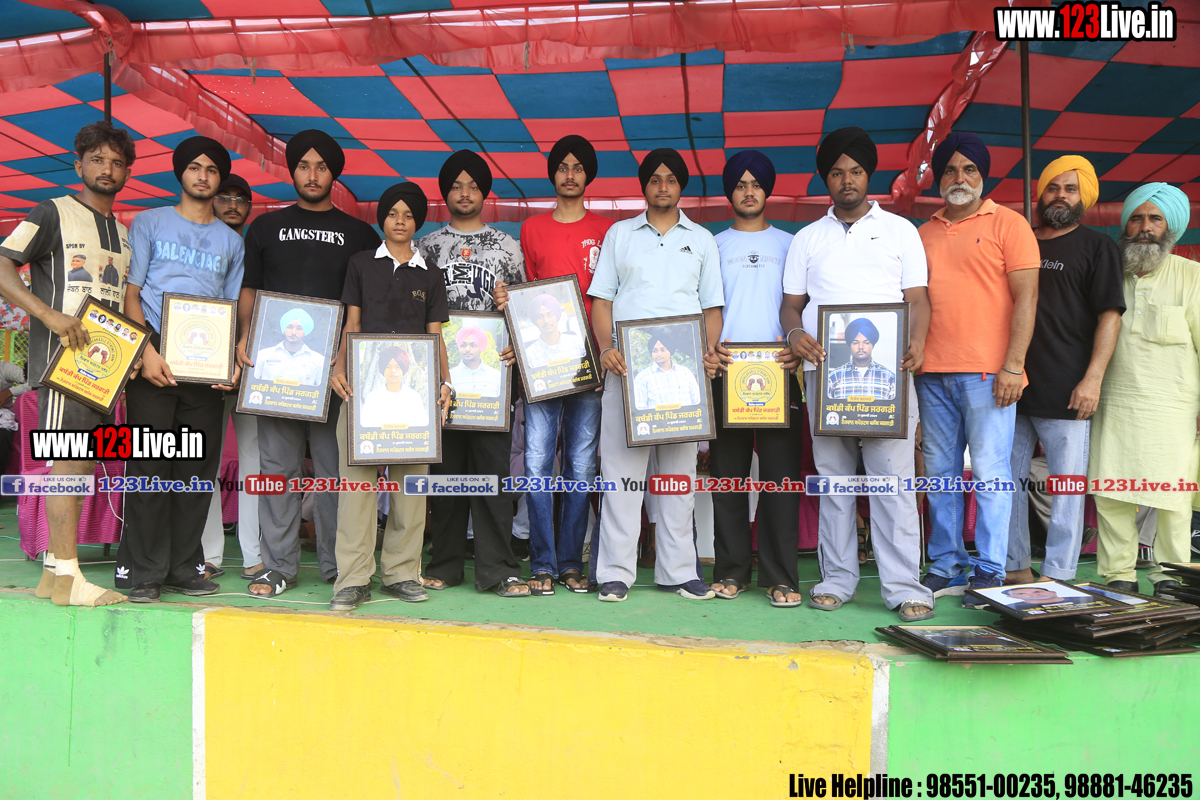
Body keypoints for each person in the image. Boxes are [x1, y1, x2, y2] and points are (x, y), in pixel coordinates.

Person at [780, 127, 934, 621]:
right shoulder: (807, 239)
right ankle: (837, 580)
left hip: (889, 377)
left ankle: (905, 587)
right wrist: (793, 336)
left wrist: (917, 341)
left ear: (869, 176)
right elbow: (791, 306)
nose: (847, 180)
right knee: (835, 483)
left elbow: (918, 300)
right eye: (837, 172)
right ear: (825, 179)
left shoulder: (901, 231)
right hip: (826, 377)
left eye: (856, 171)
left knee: (893, 483)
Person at [238, 130, 380, 597]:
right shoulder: (265, 228)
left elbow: (364, 302)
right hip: (275, 371)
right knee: (277, 469)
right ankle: (278, 566)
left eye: (321, 167)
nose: (312, 175)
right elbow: (250, 290)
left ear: (334, 174)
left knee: (334, 471)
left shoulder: (360, 234)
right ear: (292, 171)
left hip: (335, 372)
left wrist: (346, 354)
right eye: (303, 166)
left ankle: (339, 565)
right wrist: (245, 336)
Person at [0, 121, 135, 607]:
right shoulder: (52, 211)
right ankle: (72, 578)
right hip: (61, 365)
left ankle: (54, 575)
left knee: (79, 464)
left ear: (127, 173)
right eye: (97, 159)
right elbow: (2, 263)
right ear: (78, 165)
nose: (107, 169)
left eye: (117, 162)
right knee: (70, 465)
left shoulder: (123, 234)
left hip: (102, 370)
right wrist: (48, 315)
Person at [588, 147, 723, 602]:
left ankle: (679, 571)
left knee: (678, 478)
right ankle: (615, 573)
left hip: (684, 377)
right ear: (644, 185)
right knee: (622, 476)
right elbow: (602, 301)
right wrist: (607, 348)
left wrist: (707, 354)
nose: (662, 186)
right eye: (654, 179)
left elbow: (712, 308)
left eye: (671, 179)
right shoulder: (620, 234)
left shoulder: (701, 239)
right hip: (628, 371)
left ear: (681, 186)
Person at [114, 136, 245, 603]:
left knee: (195, 471)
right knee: (150, 467)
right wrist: (144, 350)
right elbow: (132, 293)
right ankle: (144, 571)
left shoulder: (232, 241)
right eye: (195, 167)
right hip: (153, 358)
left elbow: (230, 306)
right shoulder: (150, 222)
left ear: (219, 178)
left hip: (204, 366)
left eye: (211, 169)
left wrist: (228, 360)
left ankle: (183, 568)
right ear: (180, 173)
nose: (203, 176)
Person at [913, 131, 1040, 608]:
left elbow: (1027, 298)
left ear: (983, 176)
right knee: (939, 476)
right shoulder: (922, 233)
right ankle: (946, 565)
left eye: (969, 169)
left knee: (989, 475)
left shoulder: (1010, 224)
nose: (959, 177)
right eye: (950, 169)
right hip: (931, 373)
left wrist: (1013, 365)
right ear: (938, 177)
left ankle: (990, 570)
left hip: (989, 375)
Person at [330, 182, 452, 610]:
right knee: (356, 488)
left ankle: (401, 573)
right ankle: (352, 579)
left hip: (414, 397)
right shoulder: (362, 263)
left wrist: (445, 383)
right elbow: (352, 324)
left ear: (418, 222)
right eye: (392, 213)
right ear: (381, 218)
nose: (400, 221)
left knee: (410, 489)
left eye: (408, 214)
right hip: (363, 393)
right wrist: (339, 368)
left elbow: (435, 337)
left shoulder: (430, 273)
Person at [1005, 157, 1125, 586]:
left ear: (1084, 197)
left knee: (1067, 488)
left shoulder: (1098, 247)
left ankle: (1057, 575)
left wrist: (1093, 379)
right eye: (1053, 188)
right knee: (1006, 484)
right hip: (1010, 385)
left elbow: (1110, 316)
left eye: (1070, 189)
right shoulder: (1019, 239)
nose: (1060, 195)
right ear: (1041, 194)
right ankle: (1015, 567)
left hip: (1068, 387)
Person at [417, 150, 530, 597]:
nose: (464, 193)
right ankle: (445, 564)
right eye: (456, 186)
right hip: (442, 374)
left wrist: (512, 316)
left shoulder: (507, 246)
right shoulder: (427, 247)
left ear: (485, 193)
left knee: (491, 474)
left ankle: (497, 569)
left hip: (491, 377)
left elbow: (524, 310)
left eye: (473, 186)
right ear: (445, 193)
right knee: (445, 472)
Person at [505, 135, 612, 594]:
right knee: (536, 463)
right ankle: (543, 564)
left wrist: (605, 351)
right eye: (563, 167)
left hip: (589, 364)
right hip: (543, 364)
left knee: (582, 466)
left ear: (588, 175)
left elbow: (610, 297)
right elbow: (527, 296)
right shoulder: (531, 229)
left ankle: (570, 562)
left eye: (578, 167)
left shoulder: (608, 230)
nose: (570, 174)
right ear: (553, 174)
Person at [703, 150, 804, 605]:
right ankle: (731, 572)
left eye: (756, 184)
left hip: (781, 371)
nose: (748, 192)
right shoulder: (713, 245)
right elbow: (704, 306)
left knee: (781, 480)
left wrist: (800, 349)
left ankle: (781, 576)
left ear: (767, 191)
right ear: (730, 192)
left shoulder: (791, 244)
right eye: (741, 185)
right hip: (727, 369)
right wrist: (709, 351)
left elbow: (804, 305)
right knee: (728, 478)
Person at [1089, 183, 1200, 597]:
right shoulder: (1108, 275)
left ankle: (1171, 575)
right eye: (1136, 218)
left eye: (1155, 219)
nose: (1144, 228)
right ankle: (1118, 573)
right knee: (1110, 489)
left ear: (1171, 228)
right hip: (1113, 402)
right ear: (1125, 224)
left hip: (1173, 408)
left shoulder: (1192, 276)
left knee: (1174, 496)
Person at [200, 173, 262, 580]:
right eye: (225, 197)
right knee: (204, 459)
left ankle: (254, 553)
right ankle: (209, 554)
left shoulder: (256, 248)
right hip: (203, 366)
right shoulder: (199, 246)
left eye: (241, 199)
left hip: (252, 364)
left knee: (255, 461)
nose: (233, 204)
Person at [825, 317, 897, 401]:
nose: (861, 347)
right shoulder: (834, 377)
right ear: (850, 346)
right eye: (855, 343)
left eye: (866, 342)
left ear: (872, 345)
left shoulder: (889, 378)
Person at [359, 346, 430, 428]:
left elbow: (422, 427)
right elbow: (365, 429)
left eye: (397, 367)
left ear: (404, 368)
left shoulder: (414, 397)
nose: (393, 371)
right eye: (388, 366)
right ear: (383, 368)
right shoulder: (372, 397)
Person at [253, 308, 325, 385]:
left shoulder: (319, 360)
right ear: (283, 328)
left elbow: (322, 389)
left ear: (305, 331)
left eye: (299, 328)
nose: (293, 332)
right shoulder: (263, 355)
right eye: (290, 327)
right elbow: (251, 384)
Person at [633, 328, 701, 410]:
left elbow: (697, 402)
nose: (659, 354)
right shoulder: (642, 377)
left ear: (670, 351)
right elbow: (640, 409)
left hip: (686, 418)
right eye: (655, 351)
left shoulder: (685, 372)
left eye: (663, 350)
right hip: (657, 418)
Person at [523, 293, 585, 367]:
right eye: (540, 317)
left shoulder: (578, 343)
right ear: (535, 321)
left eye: (550, 315)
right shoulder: (528, 355)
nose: (546, 321)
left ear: (557, 316)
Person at [448, 325, 501, 397]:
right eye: (463, 345)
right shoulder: (450, 376)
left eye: (473, 345)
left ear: (481, 347)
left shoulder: (496, 376)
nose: (467, 349)